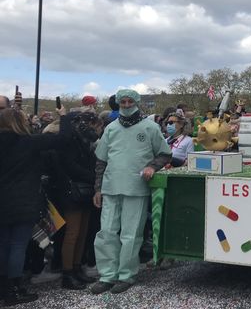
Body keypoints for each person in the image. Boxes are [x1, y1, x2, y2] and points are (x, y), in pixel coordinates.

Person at [90, 89, 172, 295]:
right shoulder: (110, 128)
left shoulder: (150, 127)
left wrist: (152, 166)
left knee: (131, 234)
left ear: (136, 102)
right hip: (111, 187)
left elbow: (164, 154)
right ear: (118, 103)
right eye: (123, 102)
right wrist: (98, 188)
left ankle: (126, 275)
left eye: (129, 101)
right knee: (106, 232)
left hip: (136, 188)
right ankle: (107, 275)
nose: (126, 105)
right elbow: (101, 161)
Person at [0, 105, 68, 306]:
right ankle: (13, 288)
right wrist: (63, 117)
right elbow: (62, 140)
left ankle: (3, 287)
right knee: (18, 245)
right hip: (23, 200)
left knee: (3, 245)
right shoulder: (28, 142)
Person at [45, 112, 101, 290]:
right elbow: (71, 166)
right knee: (73, 232)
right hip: (72, 191)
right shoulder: (68, 142)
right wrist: (93, 177)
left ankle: (76, 268)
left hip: (82, 189)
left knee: (82, 232)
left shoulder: (81, 141)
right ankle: (68, 273)